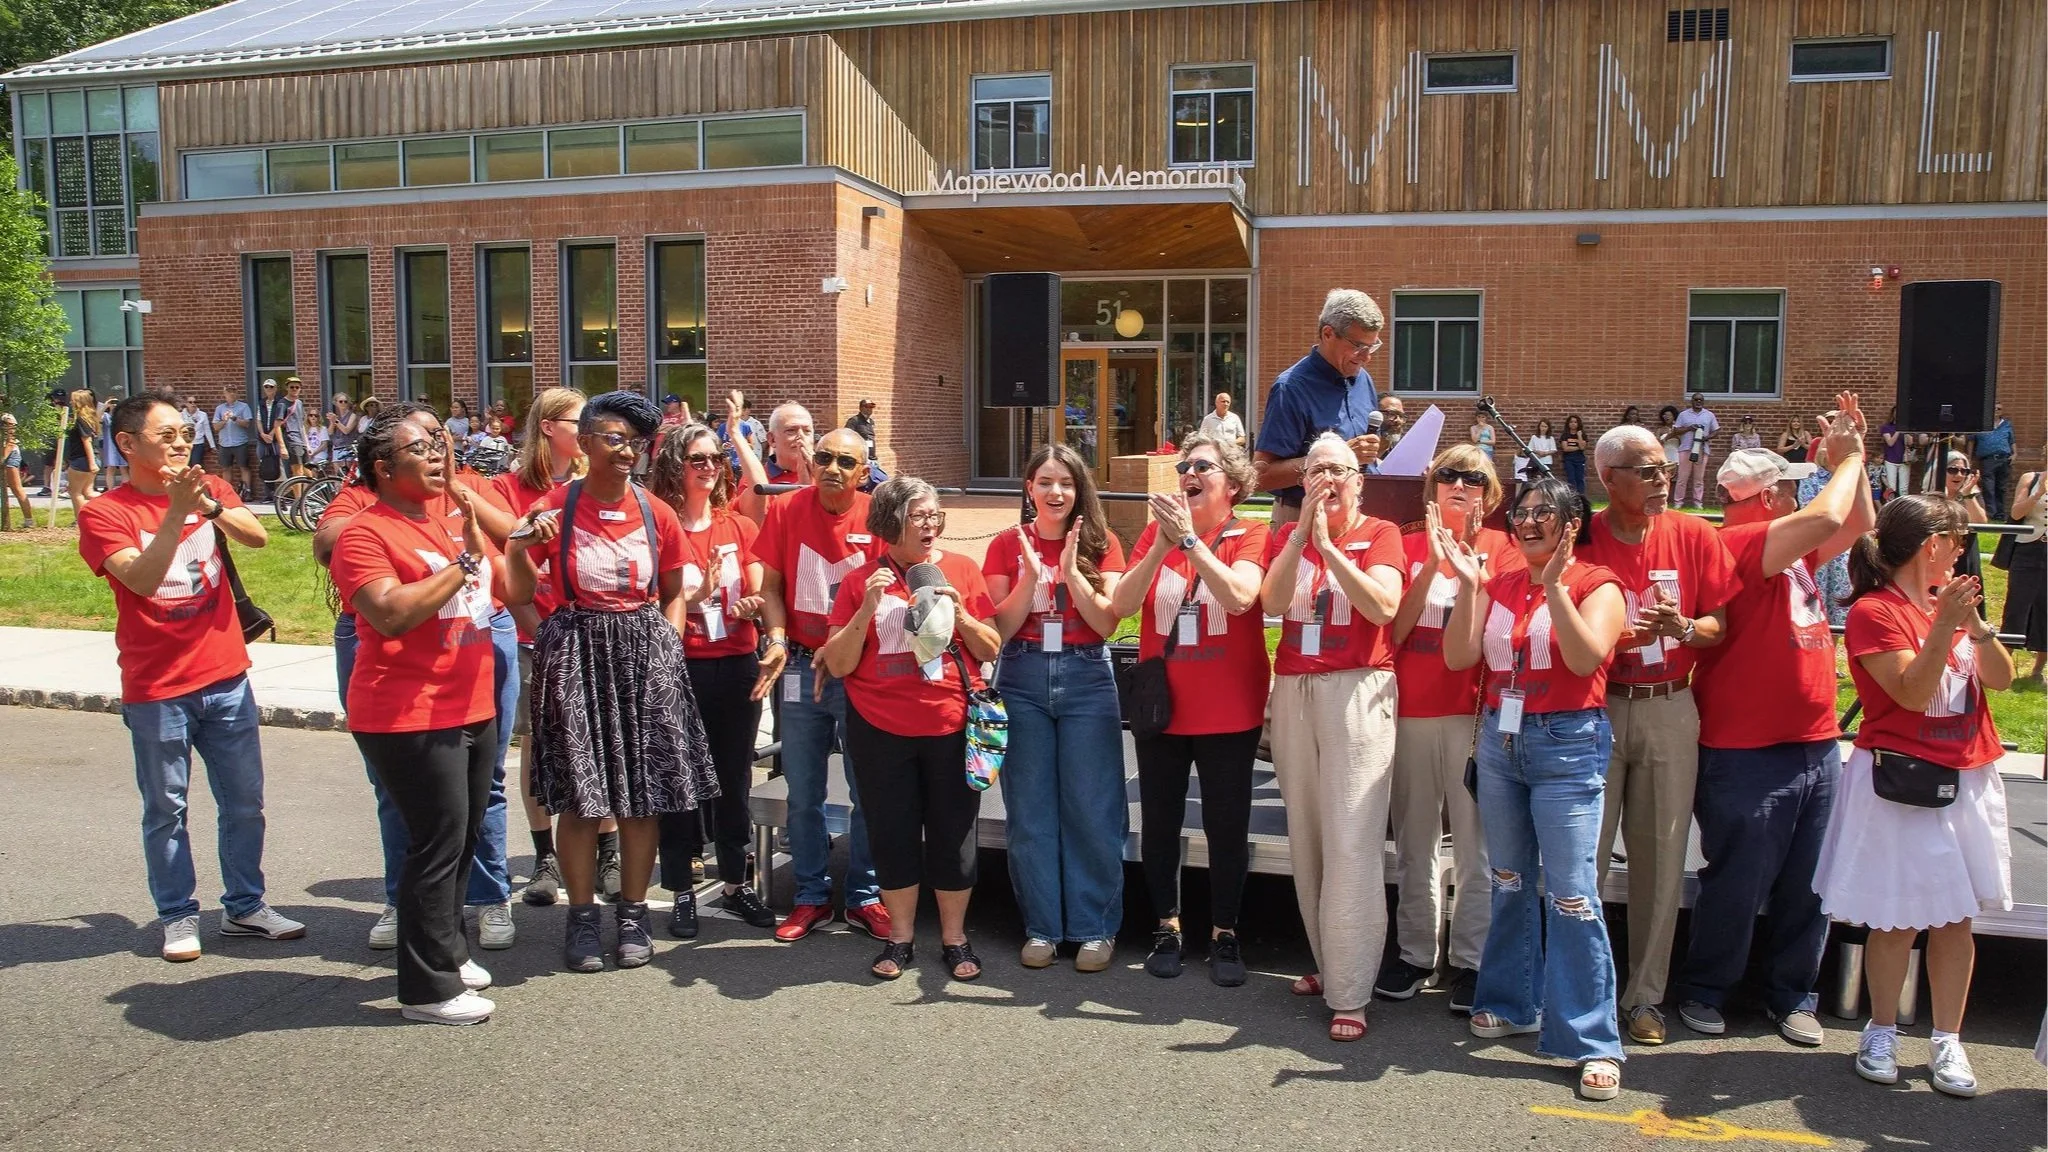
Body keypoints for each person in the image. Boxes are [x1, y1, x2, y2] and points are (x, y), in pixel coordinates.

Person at [77, 391, 304, 962]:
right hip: (158, 686)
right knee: (167, 808)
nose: (182, 443)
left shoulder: (210, 490)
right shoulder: (105, 513)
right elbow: (143, 581)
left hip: (226, 673)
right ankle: (178, 915)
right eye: (166, 435)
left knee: (245, 802)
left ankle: (246, 906)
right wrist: (177, 511)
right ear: (127, 444)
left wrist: (203, 504)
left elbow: (257, 537)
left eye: (184, 433)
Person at [1679, 399, 1876, 1048]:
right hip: (1747, 749)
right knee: (1737, 880)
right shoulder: (1735, 544)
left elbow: (1855, 523)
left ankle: (1793, 994)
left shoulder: (1790, 555)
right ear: (1765, 499)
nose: (1801, 495)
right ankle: (1708, 989)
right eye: (1790, 487)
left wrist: (1857, 461)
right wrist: (1844, 461)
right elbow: (1825, 514)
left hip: (1813, 742)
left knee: (1807, 886)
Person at [508, 390, 719, 973]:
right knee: (581, 797)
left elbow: (674, 592)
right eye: (614, 438)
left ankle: (630, 912)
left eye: (635, 441)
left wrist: (669, 645)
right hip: (577, 655)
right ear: (585, 442)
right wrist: (548, 636)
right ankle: (581, 917)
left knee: (641, 799)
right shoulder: (558, 506)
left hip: (644, 654)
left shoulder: (657, 513)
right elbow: (519, 592)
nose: (627, 451)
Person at [1815, 495, 2014, 1098]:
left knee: (1957, 920)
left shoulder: (1950, 607)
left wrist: (1973, 627)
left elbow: (2000, 678)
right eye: (1957, 539)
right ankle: (1880, 1030)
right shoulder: (1877, 612)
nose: (1963, 551)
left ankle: (1947, 1040)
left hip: (1967, 774)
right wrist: (1946, 627)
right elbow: (1909, 692)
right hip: (1902, 780)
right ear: (1933, 545)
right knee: (1896, 918)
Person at [1440, 475, 1629, 1102]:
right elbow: (1459, 656)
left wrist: (1554, 592)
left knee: (1572, 894)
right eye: (1521, 512)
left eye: (1543, 512)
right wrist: (1470, 586)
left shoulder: (1596, 585)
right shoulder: (1501, 583)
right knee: (1510, 878)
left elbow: (1584, 659)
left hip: (1568, 742)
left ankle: (1591, 1040)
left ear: (1572, 523)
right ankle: (1511, 1000)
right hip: (1501, 740)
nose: (1527, 522)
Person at [330, 407, 516, 1024]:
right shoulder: (365, 534)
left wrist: (482, 549)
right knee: (434, 844)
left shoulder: (445, 519)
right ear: (383, 469)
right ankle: (426, 991)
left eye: (439, 445)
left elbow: (501, 587)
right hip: (407, 711)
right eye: (420, 450)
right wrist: (461, 565)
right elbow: (388, 613)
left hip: (471, 701)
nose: (438, 456)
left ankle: (447, 953)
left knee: (460, 840)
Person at [1581, 422, 1738, 1046]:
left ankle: (1645, 998)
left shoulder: (1695, 535)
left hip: (1671, 706)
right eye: (1645, 471)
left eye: (1664, 468)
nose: (1661, 479)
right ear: (1607, 479)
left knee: (1661, 859)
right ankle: (1580, 988)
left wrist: (1683, 628)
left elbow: (1717, 626)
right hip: (1596, 708)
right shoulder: (1583, 537)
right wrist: (1621, 638)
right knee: (1582, 860)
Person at [820, 476, 1002, 980]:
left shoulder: (962, 569)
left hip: (949, 724)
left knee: (953, 834)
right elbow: (837, 664)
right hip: (879, 728)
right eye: (920, 515)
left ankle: (955, 939)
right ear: (890, 521)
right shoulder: (862, 580)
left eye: (935, 515)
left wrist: (961, 613)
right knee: (892, 834)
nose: (931, 524)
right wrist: (865, 610)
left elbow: (989, 648)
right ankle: (900, 939)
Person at [1108, 433, 1270, 986]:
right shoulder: (1156, 535)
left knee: (1227, 826)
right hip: (1163, 710)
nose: (1187, 473)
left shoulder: (1252, 533)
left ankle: (1225, 932)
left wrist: (1192, 544)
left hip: (1229, 711)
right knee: (1160, 821)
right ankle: (1167, 926)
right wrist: (1162, 544)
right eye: (1183, 466)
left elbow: (1240, 597)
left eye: (1202, 465)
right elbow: (1122, 606)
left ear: (1232, 482)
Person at [1258, 433, 1403, 1041]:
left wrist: (1331, 549)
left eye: (1339, 470)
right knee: (1308, 834)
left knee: (1351, 837)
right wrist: (1302, 536)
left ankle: (1352, 990)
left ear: (1360, 478)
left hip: (1359, 689)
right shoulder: (1287, 536)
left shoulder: (1382, 534)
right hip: (1294, 688)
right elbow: (1269, 602)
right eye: (1316, 471)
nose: (1328, 481)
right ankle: (1329, 961)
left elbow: (1383, 607)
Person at [1381, 444, 1521, 1013]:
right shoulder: (1409, 545)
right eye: (1447, 476)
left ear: (1489, 495)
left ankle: (1471, 958)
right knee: (1415, 841)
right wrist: (1434, 567)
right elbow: (1393, 631)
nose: (1458, 485)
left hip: (1474, 713)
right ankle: (1416, 952)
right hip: (1412, 710)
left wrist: (1469, 577)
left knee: (1476, 846)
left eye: (1472, 478)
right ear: (1431, 488)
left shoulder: (1506, 551)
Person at [984, 442, 1128, 972]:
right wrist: (1030, 575)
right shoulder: (1005, 545)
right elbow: (998, 626)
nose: (1055, 492)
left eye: (1065, 483)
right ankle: (1042, 926)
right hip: (1021, 674)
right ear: (1029, 489)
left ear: (1078, 490)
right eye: (1045, 482)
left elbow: (1109, 623)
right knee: (1030, 809)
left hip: (1087, 673)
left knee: (1092, 805)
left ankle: (1094, 928)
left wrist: (1070, 572)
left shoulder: (1102, 543)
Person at [753, 425, 891, 942]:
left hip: (858, 672)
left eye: (846, 461)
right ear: (811, 463)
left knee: (867, 788)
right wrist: (777, 637)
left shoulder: (879, 515)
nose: (833, 467)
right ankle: (811, 895)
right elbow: (771, 586)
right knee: (804, 790)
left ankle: (864, 895)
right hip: (799, 667)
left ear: (864, 471)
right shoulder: (787, 510)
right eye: (825, 457)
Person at [646, 422, 780, 938]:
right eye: (697, 459)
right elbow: (646, 601)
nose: (708, 468)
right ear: (675, 466)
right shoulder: (659, 526)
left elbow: (758, 591)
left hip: (736, 661)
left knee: (734, 779)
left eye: (714, 459)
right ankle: (680, 886)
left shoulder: (737, 527)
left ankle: (735, 883)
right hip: (681, 664)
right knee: (679, 779)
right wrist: (691, 602)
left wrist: (759, 619)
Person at [491, 387, 616, 906]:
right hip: (532, 634)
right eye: (578, 420)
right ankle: (545, 856)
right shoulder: (507, 489)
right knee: (538, 749)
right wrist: (540, 633)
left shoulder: (599, 485)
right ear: (548, 428)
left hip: (594, 637)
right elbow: (505, 566)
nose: (589, 431)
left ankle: (607, 852)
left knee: (604, 745)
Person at [1253, 288, 1384, 520]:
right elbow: (1261, 476)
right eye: (1359, 346)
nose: (1367, 357)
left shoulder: (1363, 380)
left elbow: (1366, 456)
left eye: (1372, 347)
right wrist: (1339, 457)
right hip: (1302, 518)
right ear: (1327, 334)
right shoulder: (1291, 387)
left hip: (1356, 516)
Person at [2004, 458, 2045, 680]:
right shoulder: (2031, 478)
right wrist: (2037, 495)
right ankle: (2004, 663)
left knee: (2045, 609)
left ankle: (2038, 671)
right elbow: (2017, 513)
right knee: (2016, 606)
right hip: (2028, 549)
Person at [1672, 393, 1720, 509]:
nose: (1698, 402)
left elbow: (1716, 430)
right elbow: (1676, 430)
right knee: (1682, 478)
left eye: (1701, 400)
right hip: (1686, 448)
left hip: (1702, 449)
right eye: (1696, 400)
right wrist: (1689, 428)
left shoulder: (1709, 415)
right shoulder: (1684, 415)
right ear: (1692, 401)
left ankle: (1698, 502)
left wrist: (1706, 438)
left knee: (1699, 479)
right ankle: (1678, 502)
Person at [1972, 403, 2014, 521]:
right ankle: (1991, 513)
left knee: (2001, 487)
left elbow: (2012, 441)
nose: (1996, 411)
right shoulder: (1983, 424)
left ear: (2002, 411)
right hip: (1988, 459)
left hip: (2004, 459)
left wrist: (2015, 454)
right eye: (1994, 409)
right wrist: (1970, 457)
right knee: (1988, 487)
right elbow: (1972, 441)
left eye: (1999, 409)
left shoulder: (2007, 424)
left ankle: (2000, 514)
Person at [213, 386, 255, 500]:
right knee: (226, 468)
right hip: (224, 444)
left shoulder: (243, 407)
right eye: (229, 392)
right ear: (224, 394)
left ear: (237, 393)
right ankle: (227, 494)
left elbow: (247, 423)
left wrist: (235, 418)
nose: (231, 394)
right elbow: (216, 427)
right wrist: (225, 420)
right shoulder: (220, 408)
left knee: (244, 467)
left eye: (233, 391)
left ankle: (247, 493)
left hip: (240, 443)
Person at [63, 389, 100, 514]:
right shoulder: (90, 418)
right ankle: (109, 508)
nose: (70, 402)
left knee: (75, 492)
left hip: (82, 459)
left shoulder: (81, 420)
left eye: (73, 400)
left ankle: (81, 519)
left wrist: (92, 463)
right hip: (90, 458)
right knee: (88, 492)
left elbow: (87, 441)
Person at [721, 393, 767, 475]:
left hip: (745, 461)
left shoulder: (750, 425)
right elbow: (718, 444)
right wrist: (724, 446)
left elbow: (758, 443)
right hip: (729, 463)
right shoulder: (723, 426)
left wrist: (754, 452)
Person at [0, 414, 30, 530]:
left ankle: (29, 520)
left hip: (11, 454)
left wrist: (2, 460)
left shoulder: (7, 417)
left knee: (16, 488)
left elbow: (10, 442)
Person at [1880, 408, 1909, 500]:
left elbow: (1910, 443)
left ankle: (1903, 508)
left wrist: (1907, 433)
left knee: (1903, 489)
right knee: (1891, 488)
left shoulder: (1906, 426)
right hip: (1891, 460)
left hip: (1904, 460)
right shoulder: (1886, 427)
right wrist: (1898, 430)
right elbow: (1890, 443)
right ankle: (1890, 508)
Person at [179, 396, 213, 475]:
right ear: (186, 404)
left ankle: (196, 485)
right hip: (185, 443)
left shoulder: (202, 415)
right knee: (185, 466)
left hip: (198, 444)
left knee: (196, 465)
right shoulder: (180, 415)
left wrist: (212, 445)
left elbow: (207, 430)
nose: (193, 404)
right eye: (190, 402)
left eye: (195, 402)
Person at [99, 396, 127, 490]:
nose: (114, 404)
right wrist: (105, 406)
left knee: (124, 469)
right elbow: (96, 418)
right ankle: (110, 490)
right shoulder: (106, 416)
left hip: (120, 444)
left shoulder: (122, 416)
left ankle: (125, 490)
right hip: (110, 446)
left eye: (116, 402)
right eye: (112, 403)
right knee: (110, 469)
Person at [1558, 415, 1589, 495]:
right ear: (1568, 423)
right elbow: (1565, 448)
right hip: (1569, 460)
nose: (1573, 424)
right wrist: (1577, 447)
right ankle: (1573, 496)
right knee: (1571, 479)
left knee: (1580, 479)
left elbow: (1582, 447)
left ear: (1578, 424)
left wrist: (1579, 436)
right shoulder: (1565, 435)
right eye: (1571, 422)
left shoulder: (1582, 435)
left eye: (1575, 422)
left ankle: (1581, 496)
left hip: (1579, 460)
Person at [329, 394, 361, 462]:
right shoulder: (336, 416)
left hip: (347, 447)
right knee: (337, 472)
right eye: (341, 401)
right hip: (336, 447)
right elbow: (330, 432)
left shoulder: (352, 415)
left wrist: (336, 421)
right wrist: (332, 422)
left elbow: (346, 431)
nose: (343, 403)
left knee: (346, 470)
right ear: (336, 403)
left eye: (345, 401)